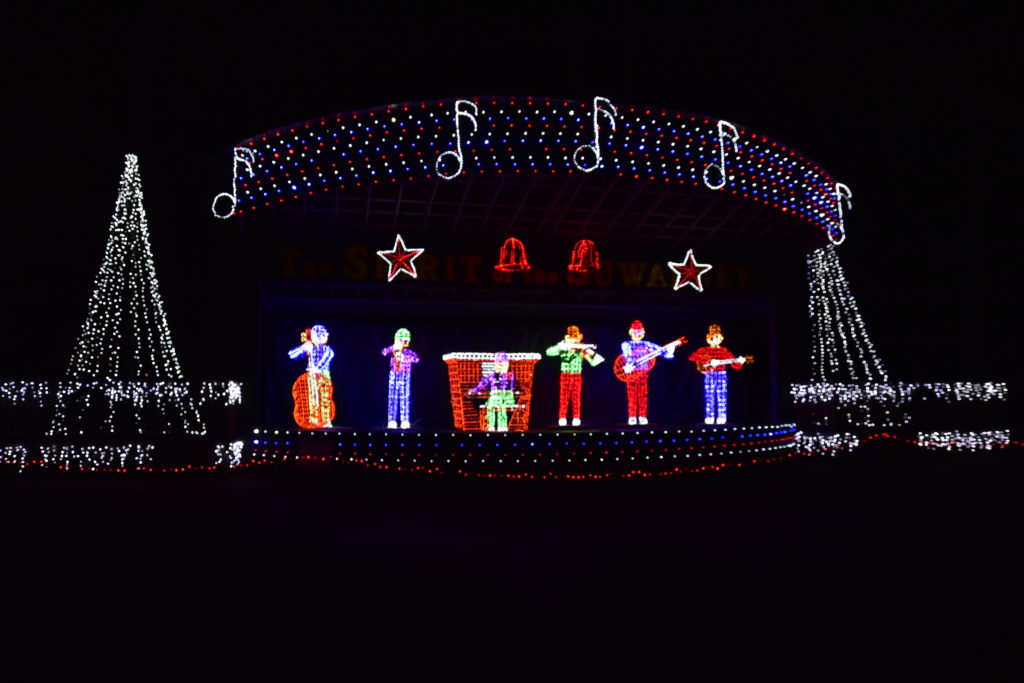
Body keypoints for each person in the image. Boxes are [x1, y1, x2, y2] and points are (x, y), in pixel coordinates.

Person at [687, 324, 747, 425]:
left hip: (721, 374)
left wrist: (740, 361)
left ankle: (721, 417)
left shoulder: (723, 351)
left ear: (721, 338)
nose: (714, 339)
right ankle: (709, 418)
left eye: (716, 337)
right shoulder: (703, 350)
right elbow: (692, 357)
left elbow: (735, 364)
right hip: (709, 374)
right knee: (709, 397)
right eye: (711, 337)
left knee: (722, 396)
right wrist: (705, 362)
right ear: (708, 338)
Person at [620, 320, 676, 425]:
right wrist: (630, 363)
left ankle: (642, 416)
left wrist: (669, 351)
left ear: (643, 333)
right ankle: (632, 416)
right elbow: (627, 355)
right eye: (635, 332)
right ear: (630, 332)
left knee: (643, 395)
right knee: (632, 395)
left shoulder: (647, 344)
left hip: (643, 372)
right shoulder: (626, 344)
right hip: (631, 372)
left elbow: (660, 351)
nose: (637, 334)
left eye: (640, 332)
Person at [545, 325, 603, 427]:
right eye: (570, 338)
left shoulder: (581, 350)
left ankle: (576, 418)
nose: (573, 340)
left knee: (576, 399)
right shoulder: (563, 348)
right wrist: (560, 346)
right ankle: (562, 418)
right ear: (566, 338)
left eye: (575, 338)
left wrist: (590, 352)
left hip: (577, 376)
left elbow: (596, 362)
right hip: (565, 375)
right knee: (563, 398)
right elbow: (548, 352)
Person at [287, 324, 335, 428]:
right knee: (312, 397)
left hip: (323, 374)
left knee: (324, 397)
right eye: (320, 335)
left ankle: (325, 421)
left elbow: (328, 357)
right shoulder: (310, 347)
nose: (323, 337)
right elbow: (291, 355)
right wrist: (303, 347)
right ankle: (314, 419)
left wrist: (317, 368)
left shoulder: (327, 349)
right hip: (311, 375)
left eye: (324, 335)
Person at [468, 351, 516, 432]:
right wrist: (475, 390)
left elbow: (511, 387)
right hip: (494, 396)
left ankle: (503, 427)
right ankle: (491, 426)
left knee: (502, 410)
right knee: (491, 408)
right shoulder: (491, 376)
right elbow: (482, 383)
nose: (500, 366)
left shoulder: (510, 375)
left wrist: (510, 397)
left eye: (503, 364)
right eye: (498, 364)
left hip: (505, 396)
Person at [381, 327, 420, 429]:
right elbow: (383, 352)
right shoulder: (393, 349)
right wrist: (393, 347)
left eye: (404, 340)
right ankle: (391, 420)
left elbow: (416, 359)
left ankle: (405, 421)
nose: (402, 342)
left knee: (404, 399)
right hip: (394, 375)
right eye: (400, 340)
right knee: (392, 399)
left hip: (405, 375)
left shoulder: (409, 352)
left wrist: (405, 358)